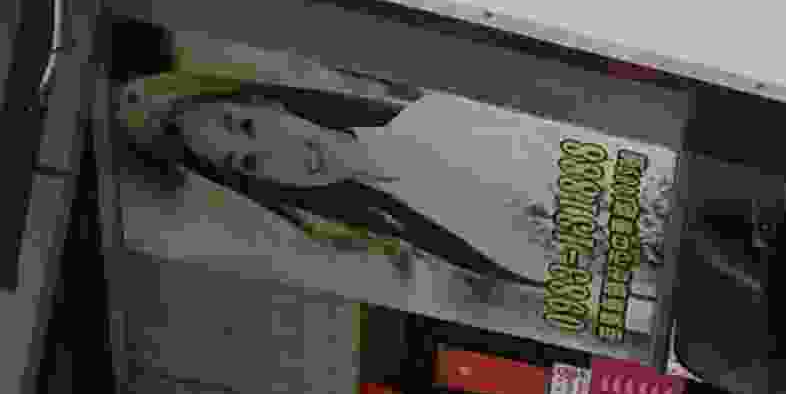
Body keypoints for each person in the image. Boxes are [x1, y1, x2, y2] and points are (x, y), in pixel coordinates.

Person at [117, 75, 558, 300]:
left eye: (247, 126)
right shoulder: (414, 246)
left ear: (272, 105)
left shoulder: (439, 116)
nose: (276, 153)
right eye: (249, 163)